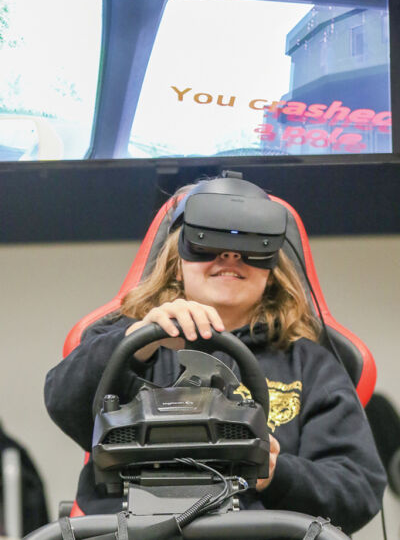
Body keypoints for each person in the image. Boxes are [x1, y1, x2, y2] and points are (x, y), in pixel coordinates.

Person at [45, 176, 386, 534]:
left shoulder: (310, 365)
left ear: (272, 272)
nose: (229, 257)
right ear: (178, 262)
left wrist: (276, 472)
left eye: (249, 251)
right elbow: (62, 402)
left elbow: (358, 488)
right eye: (209, 245)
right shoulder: (125, 339)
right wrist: (139, 341)